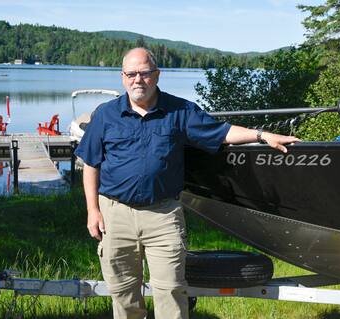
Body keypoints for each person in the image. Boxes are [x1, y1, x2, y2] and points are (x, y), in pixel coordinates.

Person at [75, 47, 300, 319]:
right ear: (123, 77)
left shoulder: (179, 111)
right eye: (131, 74)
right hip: (115, 214)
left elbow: (222, 133)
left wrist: (262, 135)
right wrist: (93, 211)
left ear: (156, 75)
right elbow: (91, 163)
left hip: (163, 215)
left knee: (171, 290)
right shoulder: (106, 114)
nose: (138, 80)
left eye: (145, 73)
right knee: (123, 293)